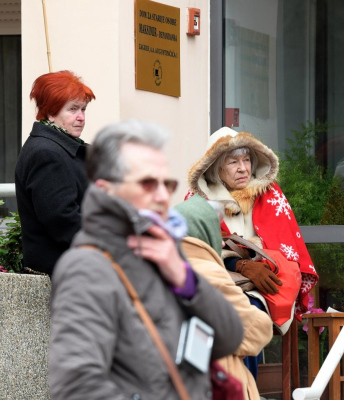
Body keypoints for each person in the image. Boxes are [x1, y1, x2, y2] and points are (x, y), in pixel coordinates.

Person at [49, 120, 244, 400]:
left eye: (167, 184)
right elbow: (76, 387)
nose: (163, 197)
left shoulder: (163, 249)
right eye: (148, 184)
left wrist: (186, 280)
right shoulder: (87, 267)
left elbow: (231, 337)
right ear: (106, 190)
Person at [186, 126, 319, 376]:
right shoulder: (198, 201)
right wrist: (240, 264)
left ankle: (243, 387)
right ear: (215, 168)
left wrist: (259, 262)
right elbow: (194, 253)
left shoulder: (270, 194)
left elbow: (287, 250)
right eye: (233, 162)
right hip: (214, 284)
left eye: (246, 160)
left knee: (247, 314)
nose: (243, 168)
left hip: (261, 289)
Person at [175, 194, 273, 400]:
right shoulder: (208, 272)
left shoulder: (166, 270)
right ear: (205, 232)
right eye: (215, 230)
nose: (220, 241)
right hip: (220, 382)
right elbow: (258, 331)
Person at [15, 70, 96, 275]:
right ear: (51, 113)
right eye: (73, 109)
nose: (81, 117)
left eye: (83, 109)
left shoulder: (61, 148)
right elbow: (63, 220)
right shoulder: (47, 152)